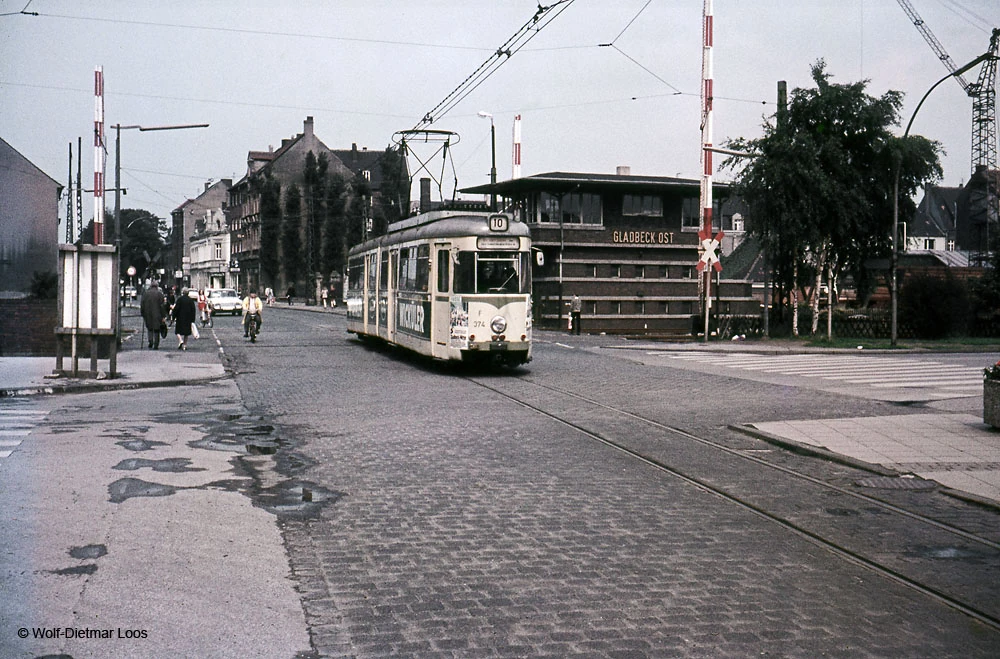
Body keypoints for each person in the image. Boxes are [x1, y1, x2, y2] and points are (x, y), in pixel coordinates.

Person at [139, 280, 166, 349]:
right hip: (157, 314)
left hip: (147, 314)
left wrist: (142, 313)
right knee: (156, 329)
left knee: (150, 328)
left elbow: (142, 304)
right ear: (157, 286)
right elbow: (162, 306)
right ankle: (156, 344)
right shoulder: (160, 294)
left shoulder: (146, 294)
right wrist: (163, 315)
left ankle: (150, 341)